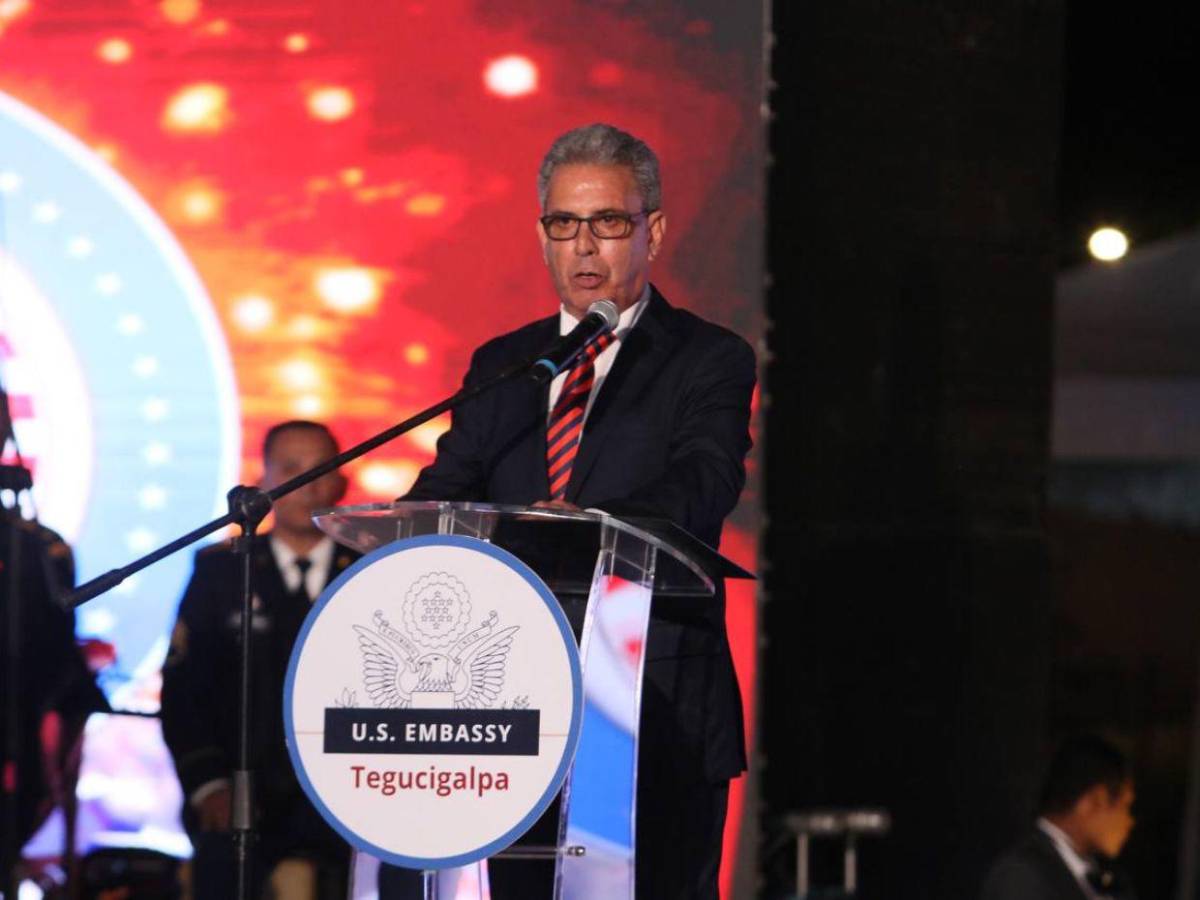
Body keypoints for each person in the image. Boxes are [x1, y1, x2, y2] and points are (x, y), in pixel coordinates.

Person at [388, 122, 756, 899]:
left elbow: (703, 481)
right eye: (564, 225)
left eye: (608, 223)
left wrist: (581, 527)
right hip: (514, 711)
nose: (584, 248)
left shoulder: (707, 357)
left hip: (656, 712)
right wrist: (400, 535)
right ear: (542, 235)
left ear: (652, 230)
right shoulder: (506, 363)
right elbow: (447, 487)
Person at [161, 421, 359, 900]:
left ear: (342, 482)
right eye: (290, 469)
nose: (306, 484)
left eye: (321, 469)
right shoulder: (223, 570)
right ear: (264, 479)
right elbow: (185, 691)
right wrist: (208, 785)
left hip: (348, 801)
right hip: (242, 797)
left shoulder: (370, 568)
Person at [980, 735, 1137, 900]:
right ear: (1094, 801)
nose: (1130, 822)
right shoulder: (1022, 875)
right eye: (1125, 807)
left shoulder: (1108, 876)